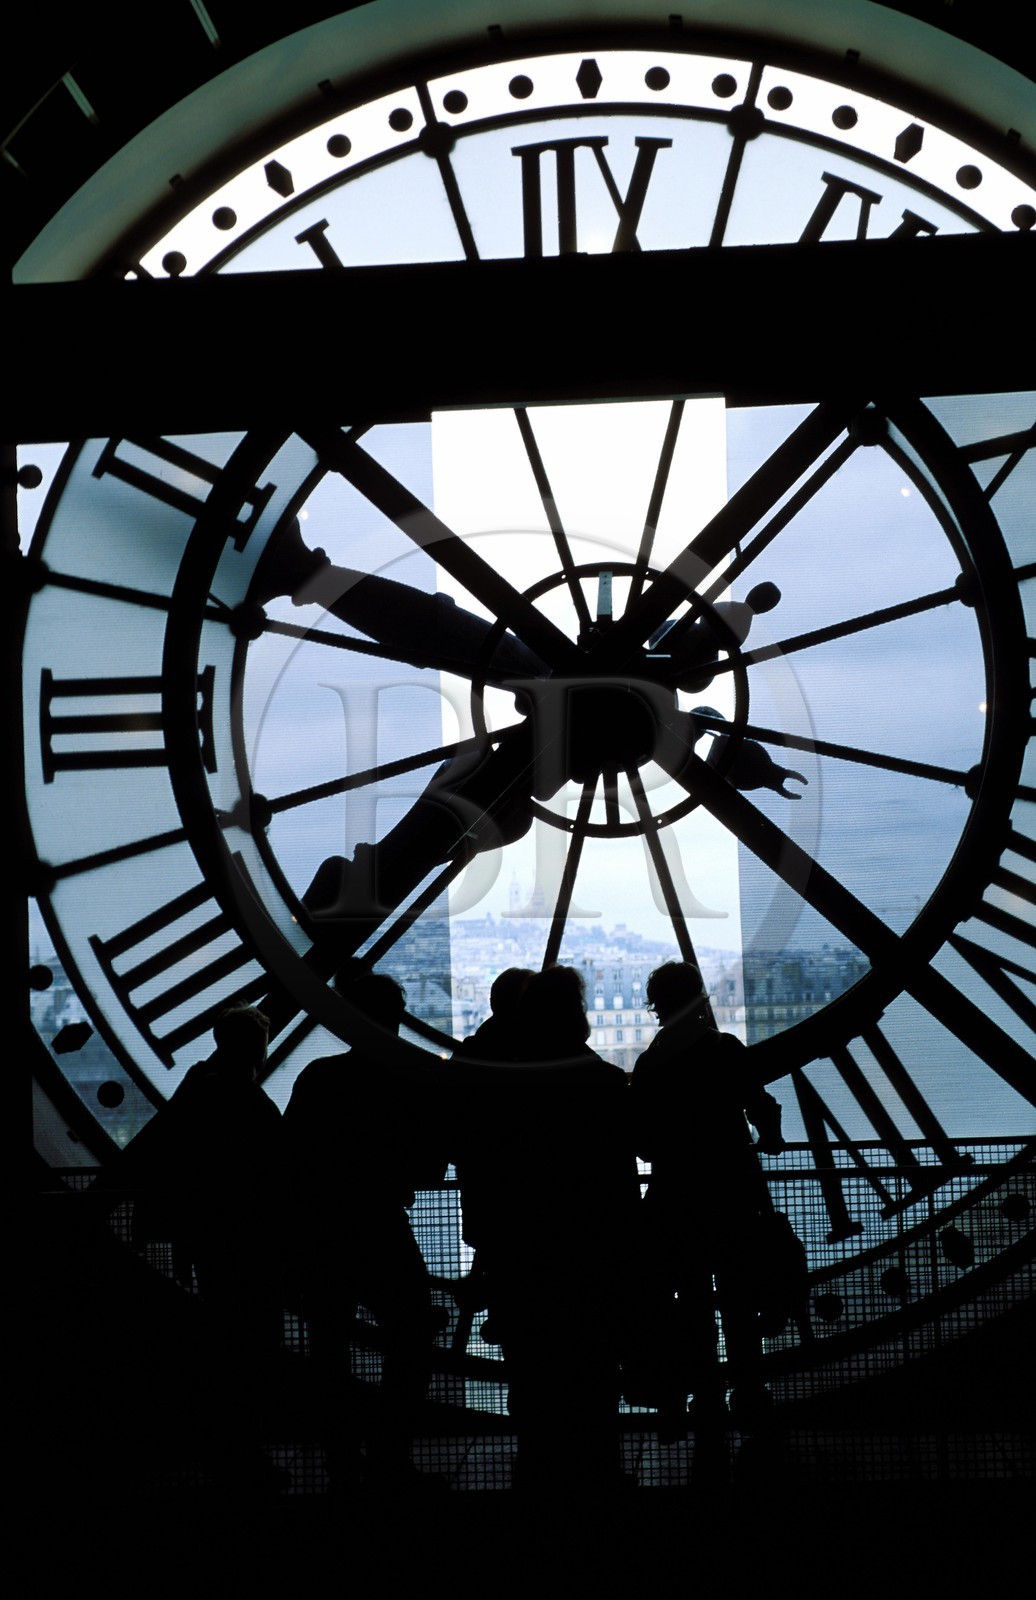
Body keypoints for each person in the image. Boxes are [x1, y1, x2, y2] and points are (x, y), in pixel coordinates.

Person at [453, 964, 639, 1492]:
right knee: (593, 1369)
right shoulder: (602, 1084)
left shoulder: (496, 1084)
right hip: (591, 1248)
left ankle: (540, 1466)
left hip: (516, 1245)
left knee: (532, 1370)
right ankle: (596, 1466)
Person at [282, 968, 447, 1490]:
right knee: (411, 1337)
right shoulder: (408, 1084)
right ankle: (388, 1455)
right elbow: (428, 1168)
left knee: (328, 1349)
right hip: (379, 1226)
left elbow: (291, 1161)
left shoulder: (318, 1079)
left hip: (324, 1230)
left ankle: (341, 1456)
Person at [123, 1004, 287, 1484]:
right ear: (256, 1049)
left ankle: (229, 1453)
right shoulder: (246, 1103)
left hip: (214, 1241)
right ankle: (242, 1452)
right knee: (252, 1347)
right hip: (247, 1245)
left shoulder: (200, 1095)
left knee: (227, 1347)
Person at [629, 962, 785, 1435]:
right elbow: (762, 1108)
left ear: (658, 1005)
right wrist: (767, 1138)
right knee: (740, 1297)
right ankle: (749, 1390)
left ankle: (705, 1391)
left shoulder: (649, 1066)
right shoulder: (723, 1050)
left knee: (692, 1300)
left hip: (676, 1199)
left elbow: (646, 1144)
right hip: (732, 1193)